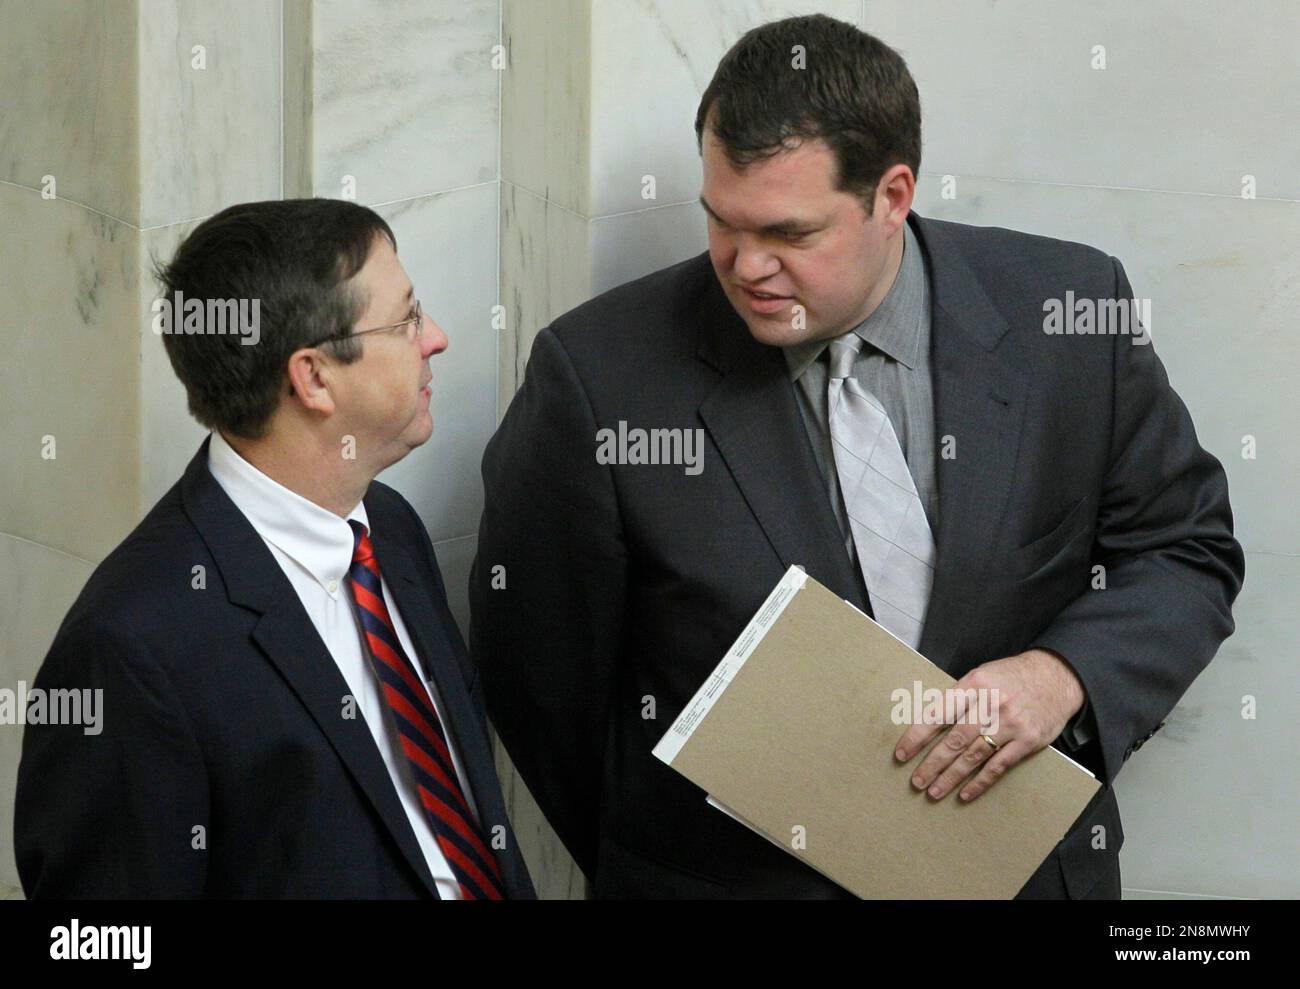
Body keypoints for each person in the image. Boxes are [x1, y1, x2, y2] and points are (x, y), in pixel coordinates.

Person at [470, 15, 1244, 899]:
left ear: (892, 195)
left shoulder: (1068, 314)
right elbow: (538, 682)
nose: (744, 265)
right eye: (721, 221)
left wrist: (1060, 675)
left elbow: (1184, 551)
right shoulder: (598, 376)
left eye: (790, 234)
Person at [16, 198, 534, 899]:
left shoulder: (389, 527)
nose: (435, 337)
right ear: (314, 377)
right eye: (407, 318)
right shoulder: (131, 647)